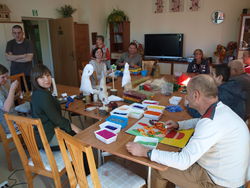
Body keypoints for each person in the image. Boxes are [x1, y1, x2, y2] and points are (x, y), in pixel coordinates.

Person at [126, 74, 249, 188]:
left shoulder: (211, 123)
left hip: (220, 183)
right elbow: (200, 121)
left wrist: (145, 152)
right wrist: (179, 125)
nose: (186, 97)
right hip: (232, 175)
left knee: (158, 167)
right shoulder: (220, 109)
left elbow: (183, 161)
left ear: (196, 95)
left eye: (187, 93)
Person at [30, 64, 81, 149]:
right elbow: (57, 120)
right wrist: (77, 130)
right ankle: (80, 161)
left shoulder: (37, 93)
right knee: (80, 140)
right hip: (48, 138)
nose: (47, 79)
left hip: (44, 133)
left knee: (73, 132)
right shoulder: (43, 96)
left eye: (48, 75)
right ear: (35, 80)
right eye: (42, 77)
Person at [5, 25, 34, 90]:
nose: (17, 35)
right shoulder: (10, 43)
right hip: (14, 74)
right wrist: (23, 56)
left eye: (19, 33)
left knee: (28, 93)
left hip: (27, 73)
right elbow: (8, 58)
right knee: (16, 94)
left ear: (22, 33)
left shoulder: (28, 42)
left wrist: (14, 58)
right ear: (12, 33)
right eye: (14, 33)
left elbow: (29, 58)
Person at [0, 64, 19, 134]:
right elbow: (6, 108)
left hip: (13, 117)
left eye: (6, 76)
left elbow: (7, 100)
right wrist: (12, 89)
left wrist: (16, 96)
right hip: (8, 125)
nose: (6, 79)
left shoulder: (2, 85)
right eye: (3, 77)